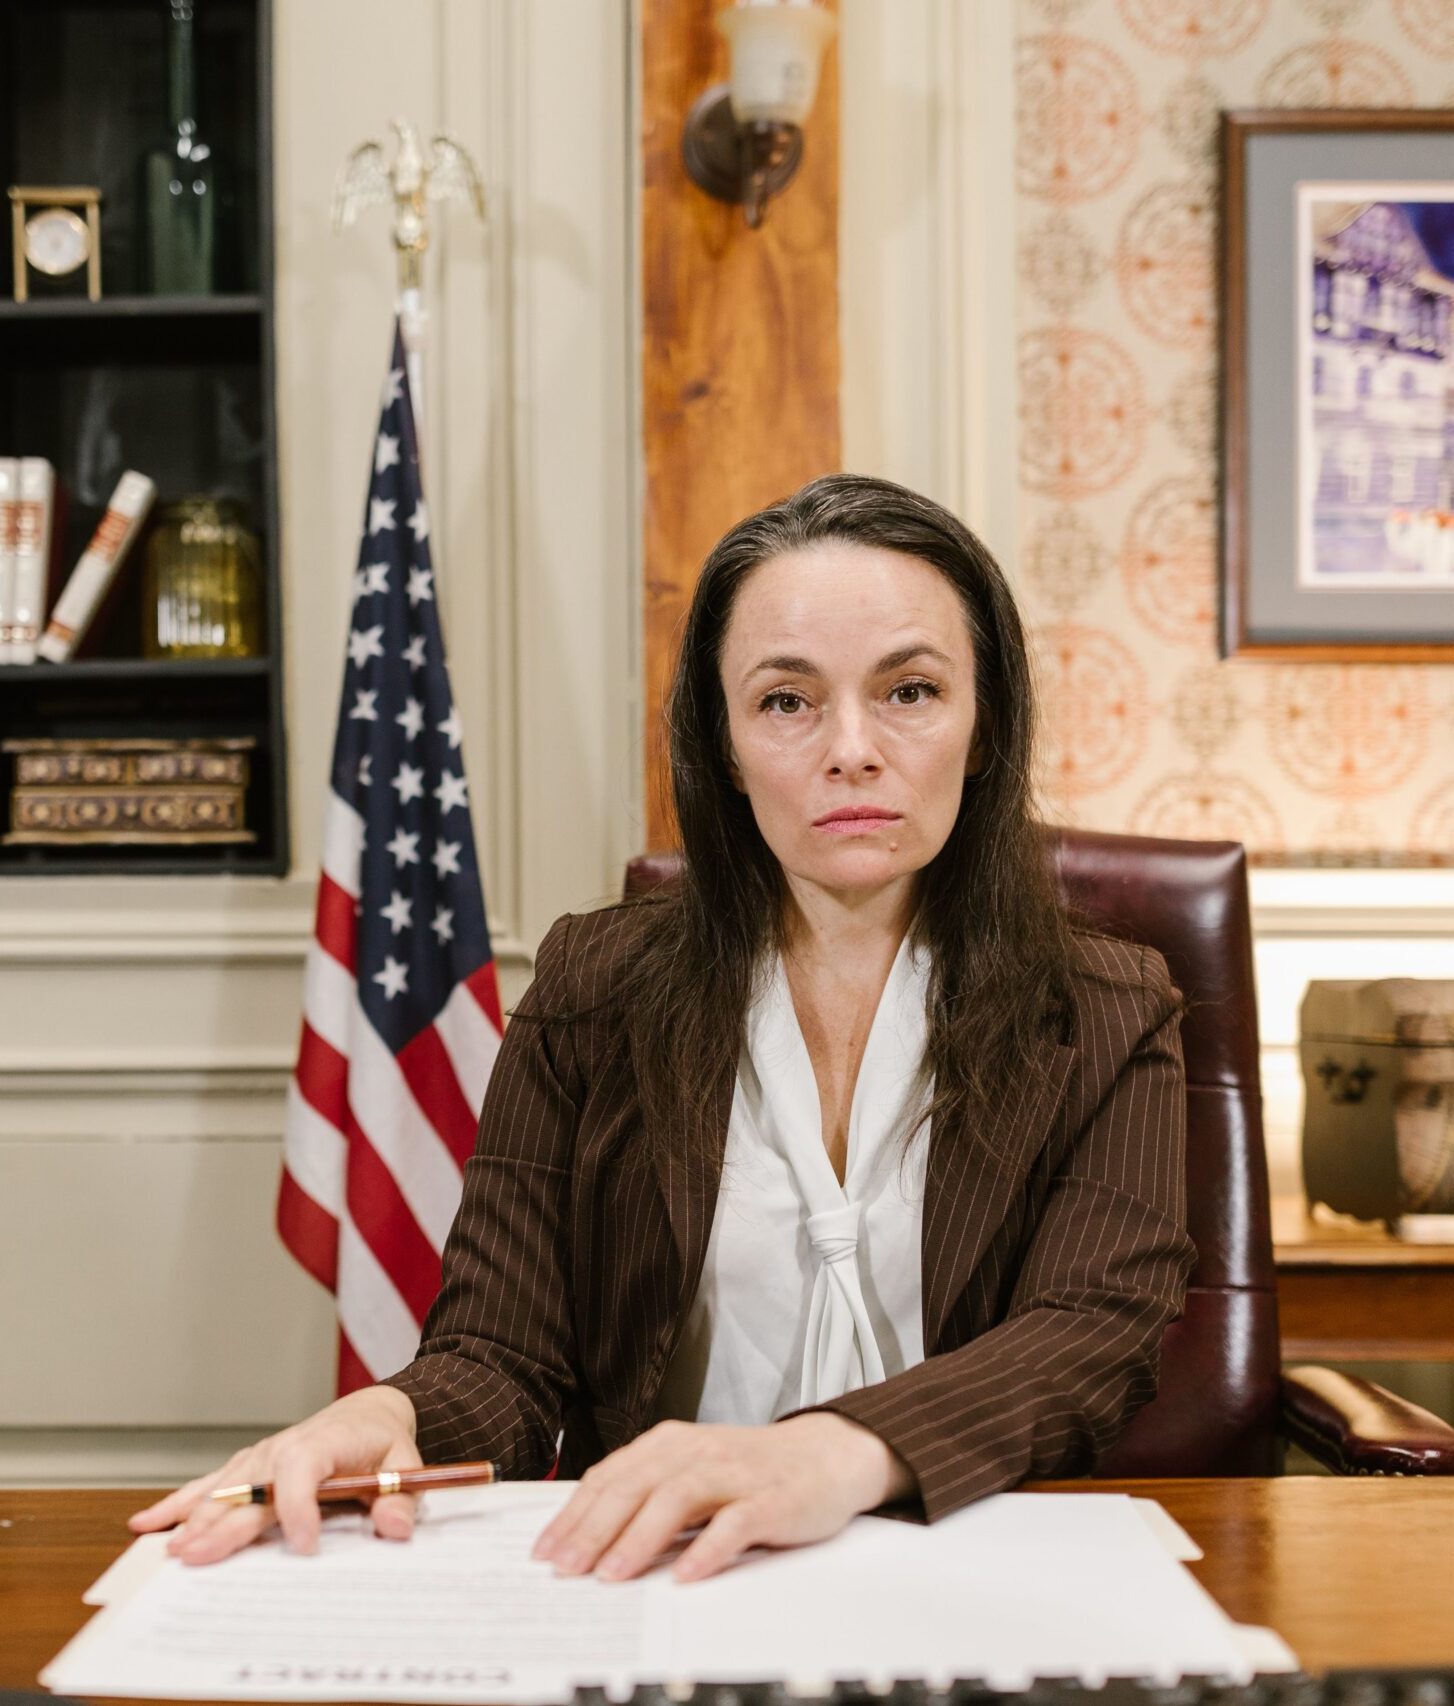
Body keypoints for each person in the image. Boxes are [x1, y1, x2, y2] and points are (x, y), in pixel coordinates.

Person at [131, 473, 1195, 1584]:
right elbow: (502, 1354)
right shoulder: (595, 986)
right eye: (785, 700)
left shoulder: (1108, 1007)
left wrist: (829, 1453)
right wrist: (392, 1410)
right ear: (723, 745)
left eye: (910, 691)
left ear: (982, 728)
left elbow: (1088, 1337)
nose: (850, 748)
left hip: (971, 1573)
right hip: (664, 1571)